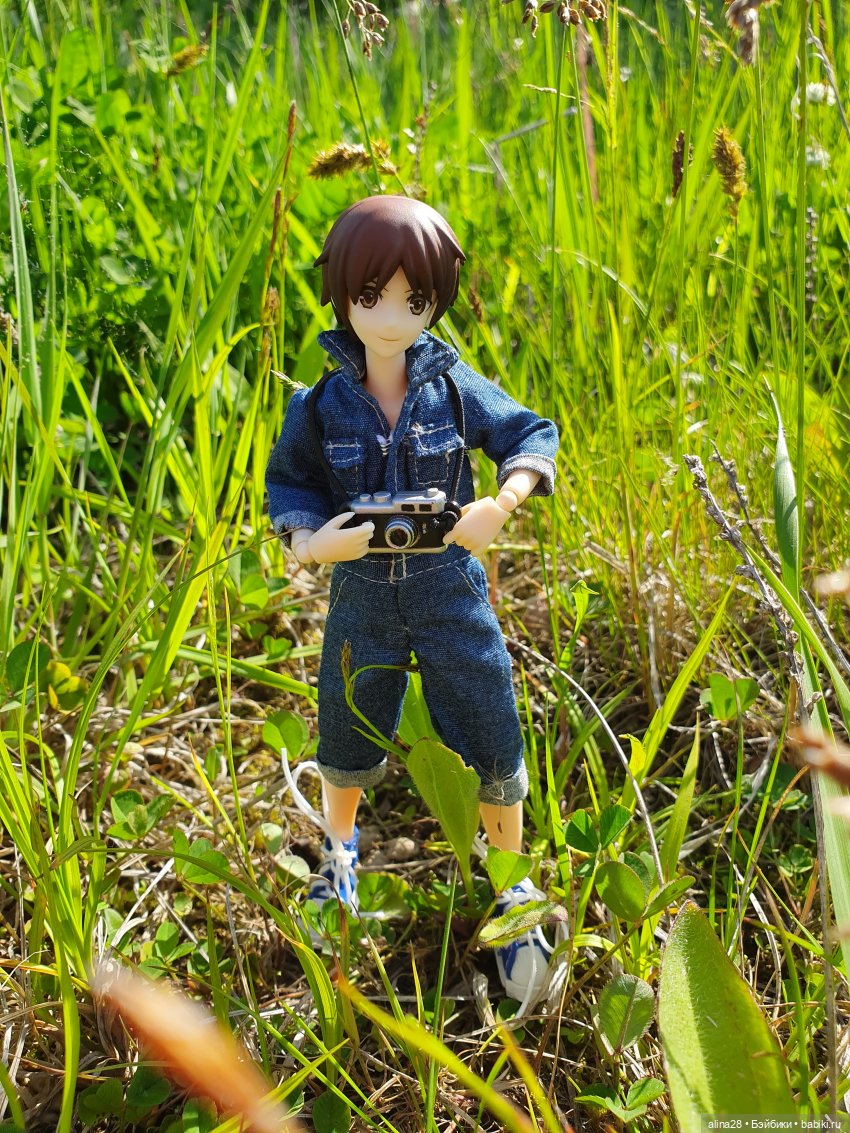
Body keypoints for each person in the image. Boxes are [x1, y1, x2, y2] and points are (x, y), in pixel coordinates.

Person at [266, 195, 560, 1011]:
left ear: (436, 301)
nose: (393, 316)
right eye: (372, 296)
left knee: (488, 720)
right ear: (342, 295)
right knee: (346, 719)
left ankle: (510, 881)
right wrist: (313, 543)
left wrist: (502, 501)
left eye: (415, 298)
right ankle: (339, 850)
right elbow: (289, 483)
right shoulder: (319, 405)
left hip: (447, 582)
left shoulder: (454, 388)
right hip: (361, 585)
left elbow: (531, 433)